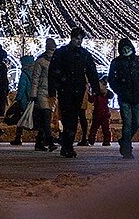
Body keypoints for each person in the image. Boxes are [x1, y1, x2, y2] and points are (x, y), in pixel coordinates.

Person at [48, 27, 101, 158]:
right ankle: (67, 145)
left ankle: (67, 145)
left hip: (77, 89)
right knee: (68, 118)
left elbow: (91, 72)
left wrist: (96, 88)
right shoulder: (62, 53)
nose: (78, 41)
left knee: (72, 118)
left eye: (80, 39)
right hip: (66, 89)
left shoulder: (83, 54)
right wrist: (52, 90)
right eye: (76, 38)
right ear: (71, 38)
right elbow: (53, 72)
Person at [108, 38, 139, 159]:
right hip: (124, 97)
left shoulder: (138, 61)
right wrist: (119, 91)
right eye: (123, 48)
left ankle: (125, 140)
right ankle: (127, 150)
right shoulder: (117, 62)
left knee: (137, 122)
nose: (126, 50)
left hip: (137, 96)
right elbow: (112, 79)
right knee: (127, 123)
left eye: (127, 48)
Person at [29, 38, 58, 151]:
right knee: (46, 117)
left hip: (51, 93)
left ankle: (39, 142)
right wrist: (34, 94)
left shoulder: (55, 61)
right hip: (42, 92)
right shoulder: (41, 61)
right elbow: (35, 78)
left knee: (44, 119)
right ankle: (50, 141)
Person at [11, 54, 35, 145]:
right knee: (34, 117)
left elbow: (22, 87)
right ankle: (41, 136)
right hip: (33, 99)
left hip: (25, 100)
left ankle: (18, 137)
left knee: (21, 119)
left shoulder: (24, 74)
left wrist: (17, 99)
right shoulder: (36, 72)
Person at [87, 75, 114, 146]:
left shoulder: (96, 92)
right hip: (105, 112)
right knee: (105, 128)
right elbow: (111, 96)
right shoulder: (106, 93)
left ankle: (91, 140)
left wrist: (88, 93)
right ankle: (106, 141)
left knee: (94, 128)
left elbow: (91, 100)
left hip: (97, 112)